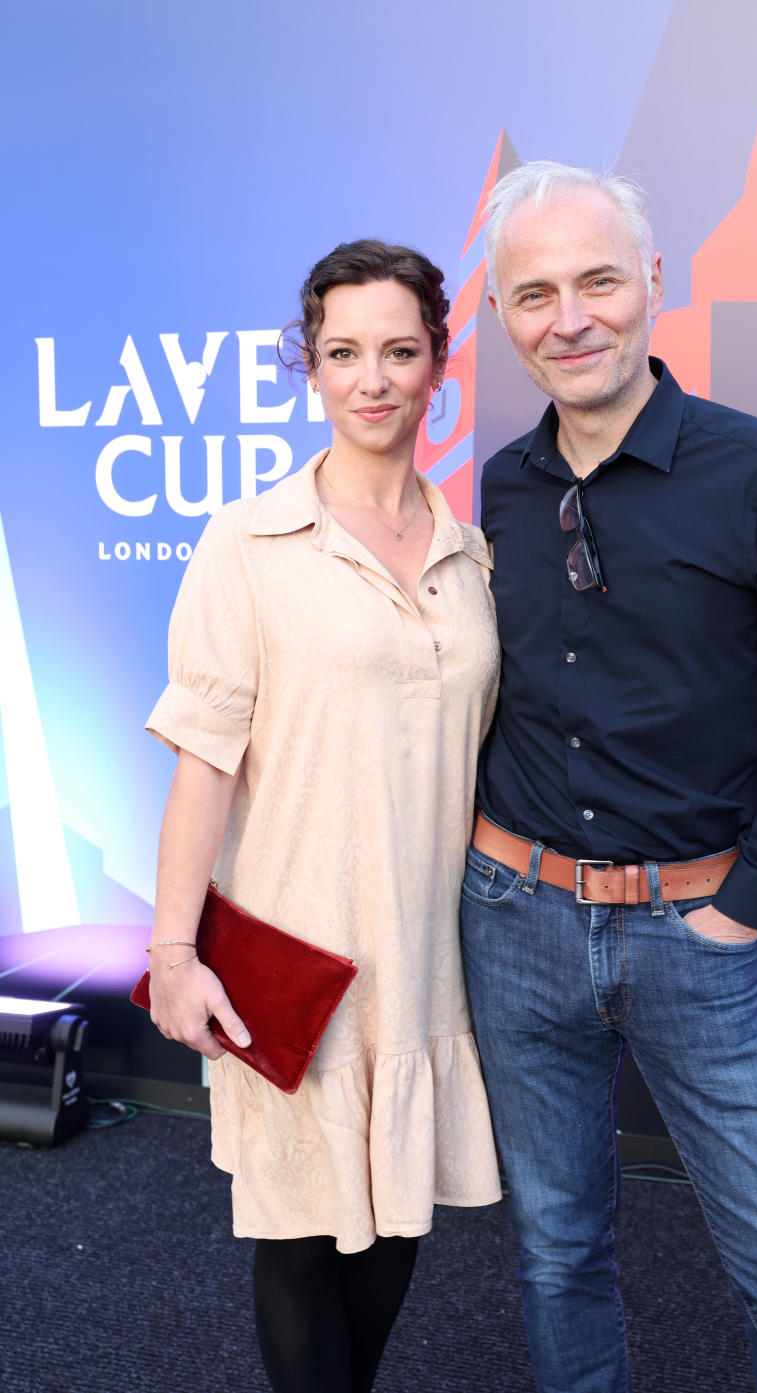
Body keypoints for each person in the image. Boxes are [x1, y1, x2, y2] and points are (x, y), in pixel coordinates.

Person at [460, 162, 757, 1393]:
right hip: (514, 921)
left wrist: (739, 906)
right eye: (534, 294)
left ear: (654, 280)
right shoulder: (501, 488)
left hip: (701, 934)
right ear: (498, 317)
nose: (570, 318)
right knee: (554, 1255)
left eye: (597, 280)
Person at [145, 239, 501, 1393]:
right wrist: (174, 951)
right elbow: (203, 764)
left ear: (439, 365)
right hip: (292, 953)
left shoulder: (472, 554)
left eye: (401, 351)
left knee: (396, 1228)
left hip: (427, 960)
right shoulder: (247, 544)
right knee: (299, 1238)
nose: (374, 379)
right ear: (311, 365)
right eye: (344, 353)